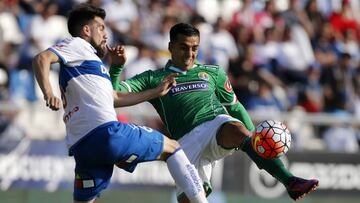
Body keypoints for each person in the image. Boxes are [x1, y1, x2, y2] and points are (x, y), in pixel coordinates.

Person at [110, 23, 319, 202]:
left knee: (237, 129)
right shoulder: (153, 78)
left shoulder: (212, 73)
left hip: (215, 125)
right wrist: (116, 69)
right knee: (193, 199)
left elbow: (235, 108)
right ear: (170, 47)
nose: (190, 54)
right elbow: (113, 95)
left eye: (194, 48)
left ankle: (289, 180)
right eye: (184, 47)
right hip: (183, 145)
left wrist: (253, 136)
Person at [32, 4, 208, 203]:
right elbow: (42, 58)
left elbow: (114, 98)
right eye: (101, 28)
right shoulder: (77, 45)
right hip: (105, 133)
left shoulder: (87, 64)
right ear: (86, 30)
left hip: (83, 147)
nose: (106, 34)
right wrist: (48, 93)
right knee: (173, 147)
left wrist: (154, 90)